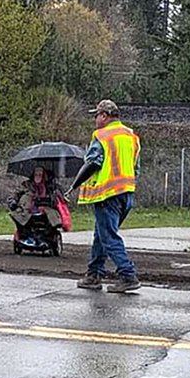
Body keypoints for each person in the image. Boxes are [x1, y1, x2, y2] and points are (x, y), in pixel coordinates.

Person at [68, 98, 140, 292]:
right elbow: (136, 168)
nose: (95, 120)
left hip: (107, 195)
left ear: (104, 116)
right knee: (101, 235)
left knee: (108, 237)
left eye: (97, 116)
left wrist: (75, 185)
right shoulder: (130, 136)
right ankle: (94, 274)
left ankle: (128, 275)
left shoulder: (103, 136)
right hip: (127, 194)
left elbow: (93, 163)